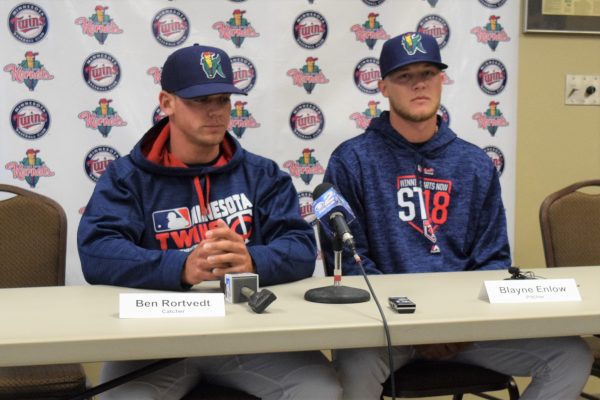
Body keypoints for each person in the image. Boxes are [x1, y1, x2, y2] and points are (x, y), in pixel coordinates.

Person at [322, 32, 593, 400]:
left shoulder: (474, 163)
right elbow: (352, 266)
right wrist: (417, 328)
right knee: (351, 371)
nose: (419, 84)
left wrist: (460, 325)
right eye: (405, 76)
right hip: (384, 329)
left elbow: (493, 259)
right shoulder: (352, 161)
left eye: (429, 73)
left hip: (464, 332)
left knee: (570, 355)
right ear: (383, 86)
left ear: (441, 80)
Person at [78, 43, 342, 400]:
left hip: (247, 338)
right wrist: (181, 267)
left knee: (321, 390)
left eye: (222, 100)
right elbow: (98, 253)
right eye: (199, 101)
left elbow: (299, 248)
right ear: (167, 102)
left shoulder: (261, 175)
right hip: (154, 343)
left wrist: (252, 261)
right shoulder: (128, 177)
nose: (214, 112)